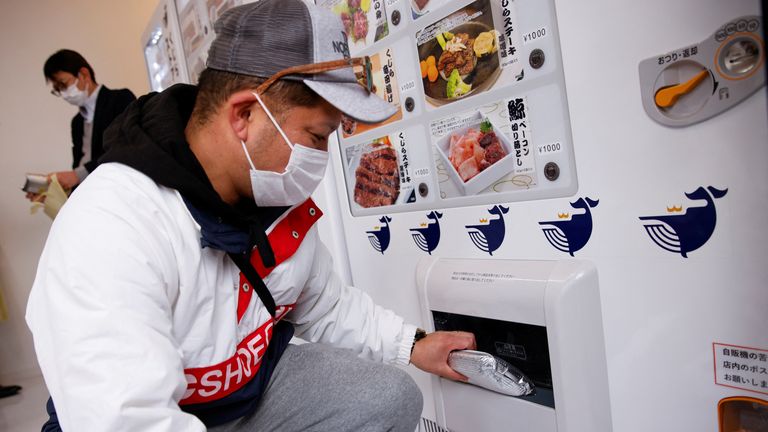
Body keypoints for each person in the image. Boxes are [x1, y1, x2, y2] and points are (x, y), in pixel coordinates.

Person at [26, 1, 476, 431]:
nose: (321, 157)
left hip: (243, 397)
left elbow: (326, 304)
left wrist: (414, 345)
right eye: (317, 136)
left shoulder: (269, 192)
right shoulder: (113, 224)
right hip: (154, 417)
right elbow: (127, 419)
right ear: (243, 115)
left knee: (391, 397)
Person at [29, 49, 135, 200]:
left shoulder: (119, 99)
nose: (63, 93)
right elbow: (79, 169)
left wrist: (76, 175)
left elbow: (126, 147)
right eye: (58, 89)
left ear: (84, 74)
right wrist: (54, 193)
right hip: (91, 194)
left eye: (63, 84)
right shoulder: (77, 123)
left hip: (118, 190)